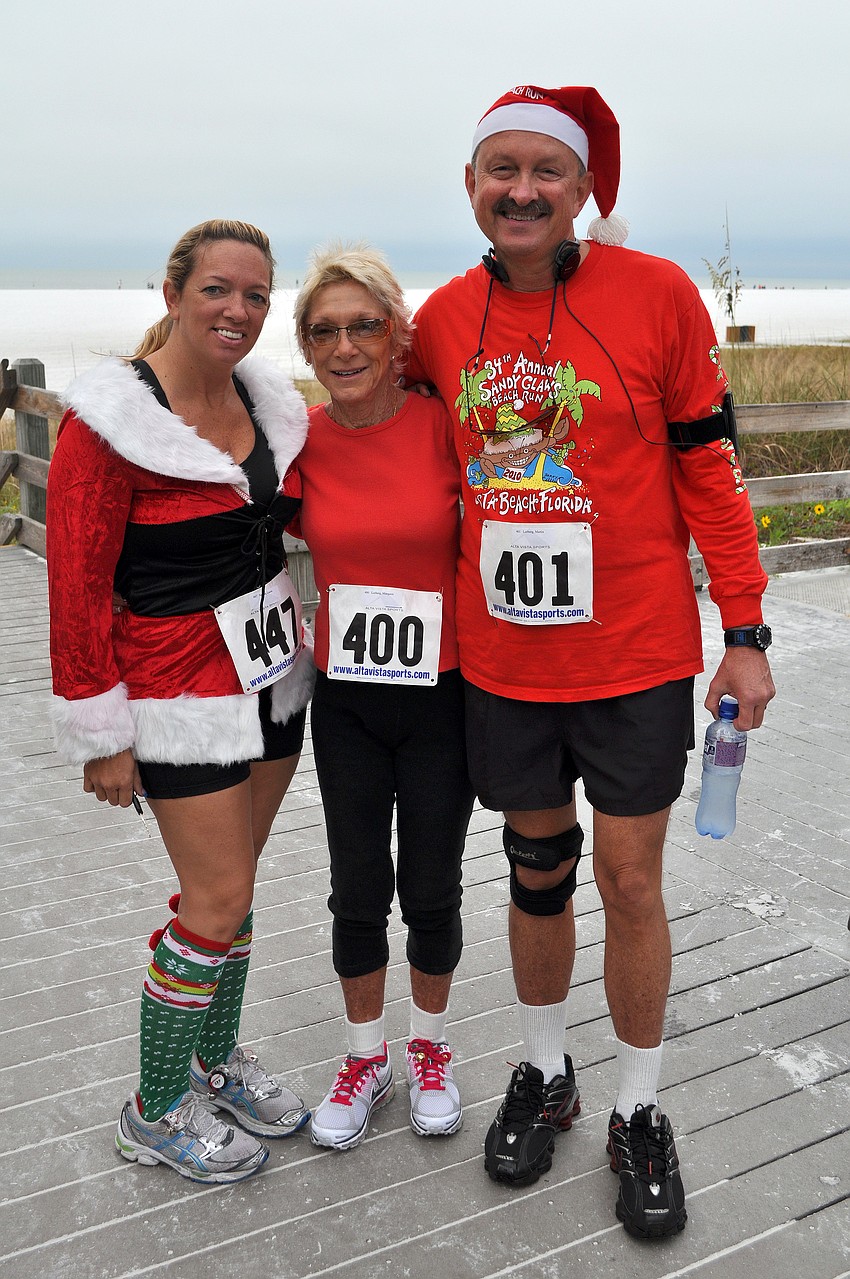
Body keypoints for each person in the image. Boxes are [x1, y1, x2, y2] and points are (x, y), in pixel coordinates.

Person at [407, 86, 775, 1237]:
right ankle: (545, 1069)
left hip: (636, 652)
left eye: (543, 172)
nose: (520, 189)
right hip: (503, 662)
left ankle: (638, 1106)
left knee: (628, 880)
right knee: (533, 869)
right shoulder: (437, 318)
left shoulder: (657, 293)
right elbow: (397, 466)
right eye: (497, 168)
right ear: (470, 184)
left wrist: (747, 631)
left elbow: (709, 472)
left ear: (581, 189)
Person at [46, 219, 316, 1184]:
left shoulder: (269, 403)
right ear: (172, 294)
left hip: (273, 676)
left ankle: (213, 1059)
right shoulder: (108, 423)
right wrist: (102, 732)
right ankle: (154, 1107)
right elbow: (75, 583)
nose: (237, 310)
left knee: (236, 891)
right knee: (215, 899)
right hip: (172, 688)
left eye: (255, 294)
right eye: (217, 290)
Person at [285, 243, 475, 1150]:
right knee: (358, 887)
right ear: (307, 347)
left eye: (366, 325)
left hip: (444, 694)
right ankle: (366, 1057)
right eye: (325, 330)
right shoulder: (296, 440)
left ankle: (429, 1047)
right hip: (348, 699)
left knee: (433, 884)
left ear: (400, 335)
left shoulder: (446, 424)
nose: (347, 345)